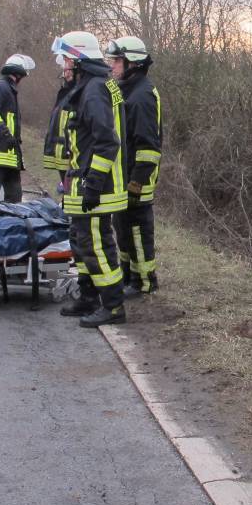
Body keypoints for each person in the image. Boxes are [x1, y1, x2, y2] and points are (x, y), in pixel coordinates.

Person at [53, 31, 128, 327]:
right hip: (86, 181)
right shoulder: (92, 85)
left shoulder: (94, 89)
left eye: (68, 59)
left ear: (80, 60)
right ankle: (89, 297)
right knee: (82, 241)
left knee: (96, 244)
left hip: (98, 186)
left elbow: (107, 141)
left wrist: (93, 183)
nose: (64, 65)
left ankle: (112, 306)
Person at [104, 36, 163, 297]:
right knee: (123, 228)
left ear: (133, 63)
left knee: (138, 231)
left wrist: (136, 183)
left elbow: (148, 147)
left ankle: (144, 281)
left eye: (117, 61)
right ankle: (128, 276)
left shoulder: (142, 96)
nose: (113, 65)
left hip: (138, 180)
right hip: (123, 177)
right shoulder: (126, 90)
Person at [0, 54, 35, 202]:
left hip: (10, 154)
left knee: (15, 195)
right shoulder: (1, 87)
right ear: (18, 73)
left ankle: (12, 222)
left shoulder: (10, 90)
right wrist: (6, 135)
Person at [43, 48, 77, 190]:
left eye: (68, 68)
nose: (65, 72)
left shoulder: (79, 92)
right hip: (62, 154)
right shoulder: (65, 92)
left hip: (70, 156)